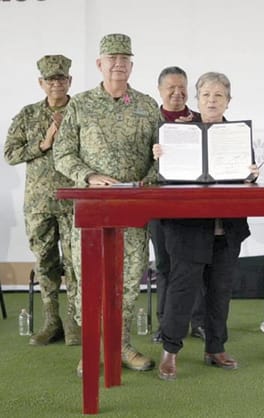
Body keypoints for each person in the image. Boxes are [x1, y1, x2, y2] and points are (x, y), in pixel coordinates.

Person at [53, 34, 160, 376]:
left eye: (124, 58)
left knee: (128, 282)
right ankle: (93, 349)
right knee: (91, 281)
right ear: (99, 64)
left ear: (132, 65)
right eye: (111, 58)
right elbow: (62, 153)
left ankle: (122, 345)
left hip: (132, 212)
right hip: (92, 211)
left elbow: (163, 154)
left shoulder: (147, 106)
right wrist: (88, 176)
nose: (118, 63)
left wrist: (151, 178)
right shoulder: (81, 104)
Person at [155, 72, 257, 381]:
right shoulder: (178, 134)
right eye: (206, 95)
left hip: (226, 229)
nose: (212, 101)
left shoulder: (238, 135)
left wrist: (250, 173)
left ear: (228, 101)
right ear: (196, 100)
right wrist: (161, 156)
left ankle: (216, 347)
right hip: (187, 228)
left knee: (220, 290)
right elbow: (165, 178)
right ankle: (170, 351)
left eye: (219, 96)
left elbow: (245, 178)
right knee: (181, 289)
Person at [3, 55, 80, 346]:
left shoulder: (80, 111)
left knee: (75, 263)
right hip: (39, 203)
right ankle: (52, 321)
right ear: (41, 83)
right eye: (50, 80)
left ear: (69, 81)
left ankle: (75, 321)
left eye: (61, 78)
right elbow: (10, 154)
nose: (56, 84)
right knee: (45, 262)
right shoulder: (27, 115)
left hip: (74, 200)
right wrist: (43, 144)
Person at [150, 66, 205, 344]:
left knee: (195, 264)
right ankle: (166, 324)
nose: (177, 92)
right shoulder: (149, 121)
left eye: (182, 87)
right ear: (159, 91)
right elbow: (139, 161)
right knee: (165, 265)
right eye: (170, 87)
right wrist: (153, 153)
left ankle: (198, 321)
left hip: (195, 207)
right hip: (159, 206)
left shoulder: (201, 119)